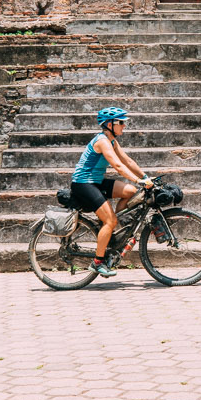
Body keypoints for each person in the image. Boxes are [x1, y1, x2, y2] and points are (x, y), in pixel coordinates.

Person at [71, 106, 154, 276]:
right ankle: (97, 262)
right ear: (110, 124)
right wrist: (139, 180)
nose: (124, 126)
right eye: (121, 122)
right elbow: (117, 165)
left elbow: (128, 161)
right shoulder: (102, 141)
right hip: (83, 184)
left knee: (131, 191)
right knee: (110, 220)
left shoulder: (112, 141)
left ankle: (113, 232)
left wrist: (146, 177)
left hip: (96, 182)